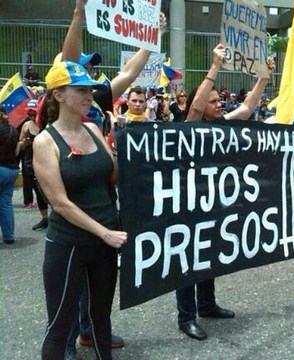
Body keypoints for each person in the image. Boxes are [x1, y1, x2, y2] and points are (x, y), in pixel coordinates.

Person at [58, 2, 167, 357]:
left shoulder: (100, 100)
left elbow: (132, 72)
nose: (89, 80)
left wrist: (152, 40)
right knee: (71, 274)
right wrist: (78, 13)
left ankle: (89, 330)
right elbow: (67, 58)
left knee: (99, 273)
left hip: (103, 196)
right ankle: (68, 336)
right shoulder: (60, 102)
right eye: (83, 74)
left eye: (92, 75)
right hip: (72, 196)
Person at [177, 43, 274, 340]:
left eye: (220, 100)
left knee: (207, 255)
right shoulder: (188, 126)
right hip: (188, 203)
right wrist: (215, 66)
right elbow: (193, 109)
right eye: (213, 100)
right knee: (188, 260)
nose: (219, 104)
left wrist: (264, 78)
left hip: (213, 202)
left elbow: (246, 109)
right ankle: (186, 316)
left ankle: (206, 305)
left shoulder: (222, 123)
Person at [33, 60, 127, 360]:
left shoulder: (92, 129)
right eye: (81, 90)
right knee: (60, 325)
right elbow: (59, 203)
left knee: (101, 319)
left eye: (91, 91)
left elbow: (113, 176)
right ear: (58, 95)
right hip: (69, 243)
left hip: (105, 241)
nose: (89, 96)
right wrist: (105, 233)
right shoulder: (45, 141)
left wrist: (123, 143)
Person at [17, 100, 49, 230]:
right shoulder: (26, 125)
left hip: (45, 161)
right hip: (30, 161)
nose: (30, 116)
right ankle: (45, 218)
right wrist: (25, 143)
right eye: (29, 114)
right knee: (37, 190)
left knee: (48, 190)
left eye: (33, 113)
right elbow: (21, 142)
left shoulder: (46, 125)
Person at [0, 105, 20, 245]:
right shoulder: (13, 129)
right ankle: (9, 236)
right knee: (6, 204)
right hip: (12, 170)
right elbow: (17, 151)